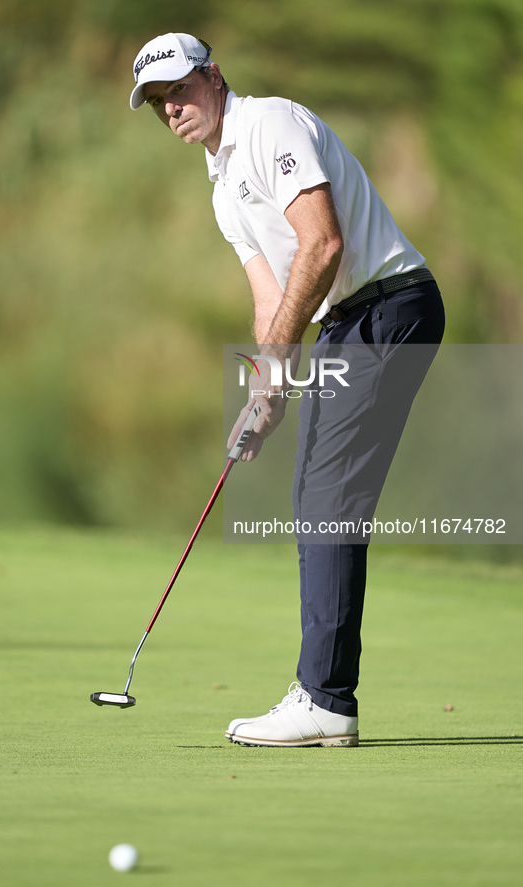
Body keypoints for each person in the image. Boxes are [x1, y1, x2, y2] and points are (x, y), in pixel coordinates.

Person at [130, 33, 445, 747]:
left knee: (330, 495)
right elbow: (268, 295)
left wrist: (279, 356)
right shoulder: (220, 187)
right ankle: (323, 694)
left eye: (178, 88)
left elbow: (322, 244)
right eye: (156, 102)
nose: (171, 108)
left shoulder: (268, 121)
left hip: (387, 305)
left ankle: (326, 699)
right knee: (315, 492)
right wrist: (262, 390)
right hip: (349, 319)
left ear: (213, 76)